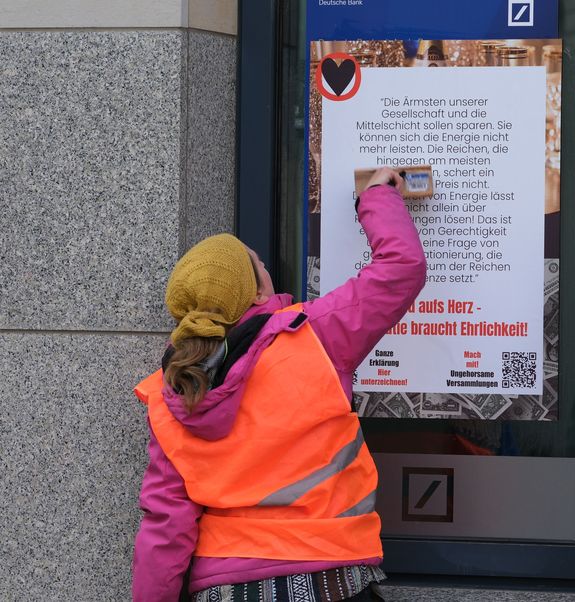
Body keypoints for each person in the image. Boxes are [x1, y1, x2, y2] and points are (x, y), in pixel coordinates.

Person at [132, 167, 426, 602]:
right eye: (259, 265)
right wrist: (378, 194)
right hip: (329, 581)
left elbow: (166, 525)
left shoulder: (173, 391)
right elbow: (401, 269)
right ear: (253, 294)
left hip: (226, 588)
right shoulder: (314, 336)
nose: (268, 266)